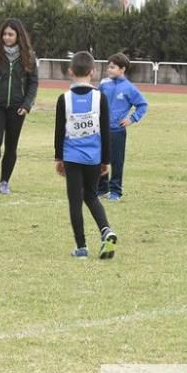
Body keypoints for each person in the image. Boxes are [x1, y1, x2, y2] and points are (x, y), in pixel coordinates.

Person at [55, 51, 117, 259]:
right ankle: (106, 229)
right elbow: (106, 132)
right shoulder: (101, 97)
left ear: (70, 72)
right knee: (91, 196)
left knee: (75, 201)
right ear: (93, 72)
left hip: (71, 157)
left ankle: (81, 247)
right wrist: (106, 160)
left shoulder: (64, 99)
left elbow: (59, 131)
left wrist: (58, 158)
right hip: (94, 157)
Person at [0, 18, 39, 194]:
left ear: (18, 36)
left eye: (10, 34)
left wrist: (27, 104)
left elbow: (33, 83)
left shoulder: (29, 56)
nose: (7, 37)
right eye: (4, 34)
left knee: (11, 146)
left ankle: (4, 182)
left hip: (17, 108)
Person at [96, 52, 149, 201]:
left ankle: (116, 191)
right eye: (108, 67)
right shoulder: (104, 84)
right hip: (100, 130)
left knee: (117, 161)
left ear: (122, 69)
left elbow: (143, 105)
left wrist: (132, 118)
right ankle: (102, 188)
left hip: (117, 131)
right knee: (101, 160)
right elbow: (96, 100)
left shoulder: (130, 88)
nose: (109, 70)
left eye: (112, 67)